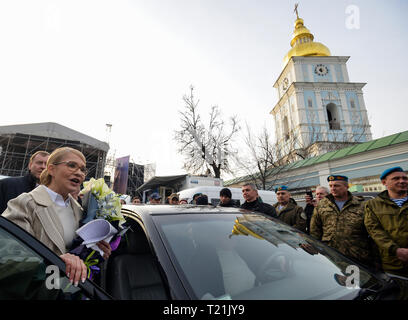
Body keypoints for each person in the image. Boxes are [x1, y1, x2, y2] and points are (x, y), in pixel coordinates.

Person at [2, 147, 111, 287]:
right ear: (52, 169)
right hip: (37, 290)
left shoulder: (79, 210)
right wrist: (56, 261)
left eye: (83, 169)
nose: (79, 172)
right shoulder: (26, 203)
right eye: (72, 165)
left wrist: (95, 251)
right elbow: (8, 254)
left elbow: (76, 251)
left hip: (68, 290)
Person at [310, 175, 378, 269]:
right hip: (331, 256)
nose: (333, 188)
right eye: (331, 186)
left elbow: (372, 231)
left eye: (337, 186)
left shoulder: (361, 205)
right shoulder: (321, 205)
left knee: (354, 282)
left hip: (356, 257)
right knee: (334, 282)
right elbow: (315, 231)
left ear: (347, 187)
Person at [364, 167, 408, 277]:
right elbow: (375, 231)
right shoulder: (373, 205)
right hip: (393, 262)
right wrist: (395, 250)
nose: (402, 181)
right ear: (384, 182)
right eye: (396, 178)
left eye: (404, 178)